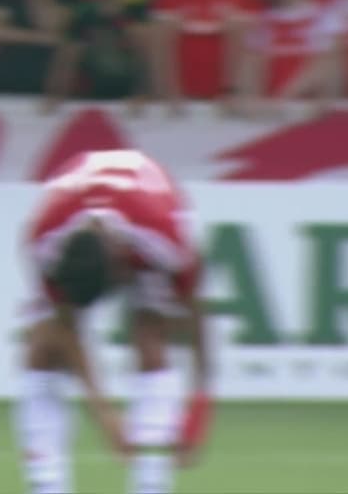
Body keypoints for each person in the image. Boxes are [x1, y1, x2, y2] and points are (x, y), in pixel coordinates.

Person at [18, 149, 211, 494]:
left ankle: (150, 485)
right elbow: (65, 328)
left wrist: (199, 405)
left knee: (151, 338)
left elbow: (197, 320)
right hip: (82, 199)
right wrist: (104, 413)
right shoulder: (45, 242)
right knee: (42, 350)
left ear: (123, 264)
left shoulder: (167, 241)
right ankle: (48, 488)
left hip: (148, 201)